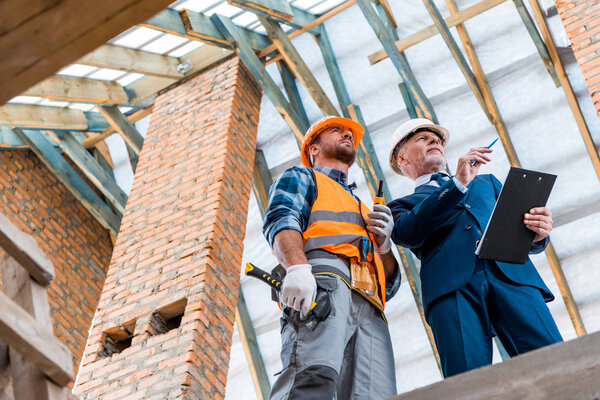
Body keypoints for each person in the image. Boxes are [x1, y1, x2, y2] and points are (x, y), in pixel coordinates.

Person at [386, 118, 562, 378]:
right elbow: (409, 232)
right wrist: (457, 183)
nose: (434, 141)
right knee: (467, 381)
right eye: (422, 139)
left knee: (554, 362)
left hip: (513, 278)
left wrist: (537, 234)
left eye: (437, 139)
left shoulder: (488, 183)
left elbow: (523, 233)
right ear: (402, 159)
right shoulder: (399, 206)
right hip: (451, 291)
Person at [263, 116, 401, 400]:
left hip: (371, 307)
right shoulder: (302, 177)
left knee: (374, 395)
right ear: (313, 149)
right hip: (326, 284)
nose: (347, 134)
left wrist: (384, 246)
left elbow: (389, 285)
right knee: (313, 380)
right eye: (336, 130)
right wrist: (298, 268)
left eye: (349, 132)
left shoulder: (364, 208)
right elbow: (281, 219)